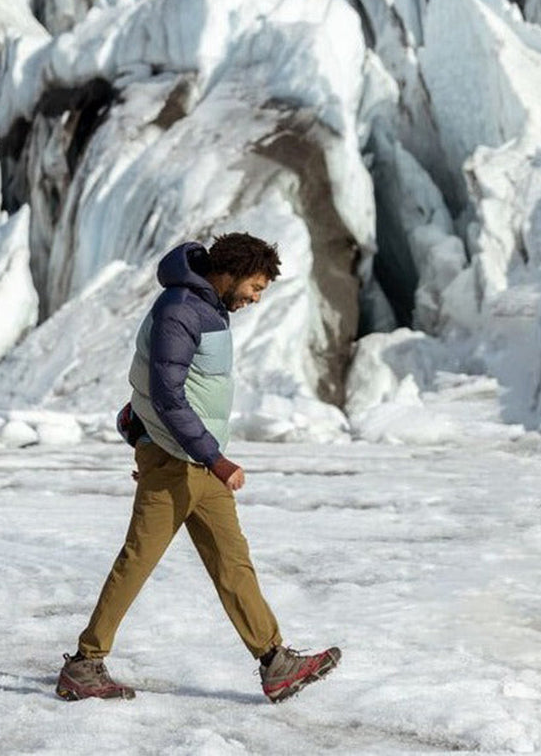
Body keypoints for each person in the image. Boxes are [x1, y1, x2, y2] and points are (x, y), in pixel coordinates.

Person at [56, 232, 341, 704]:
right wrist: (209, 456)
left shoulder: (207, 310)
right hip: (180, 461)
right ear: (229, 273)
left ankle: (275, 662)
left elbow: (169, 389)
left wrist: (165, 444)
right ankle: (86, 663)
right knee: (137, 561)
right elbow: (166, 393)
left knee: (233, 562)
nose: (255, 297)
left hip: (192, 462)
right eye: (255, 286)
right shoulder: (181, 309)